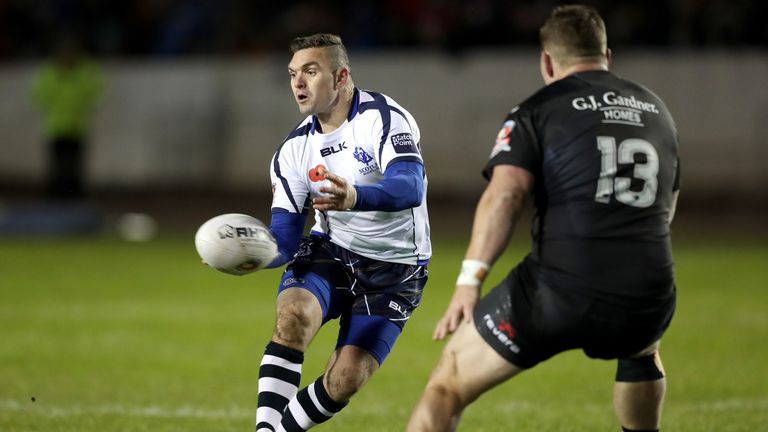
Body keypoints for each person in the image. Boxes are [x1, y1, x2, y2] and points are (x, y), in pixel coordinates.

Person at [407, 5, 680, 432]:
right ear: (608, 54)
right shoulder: (656, 109)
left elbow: (506, 194)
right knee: (642, 350)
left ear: (547, 61)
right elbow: (666, 207)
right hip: (650, 290)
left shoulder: (538, 109)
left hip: (559, 291)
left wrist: (469, 280)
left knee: (447, 384)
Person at [256, 33, 431, 432]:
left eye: (311, 71)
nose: (298, 83)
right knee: (293, 315)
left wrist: (354, 197)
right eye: (293, 74)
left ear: (341, 77)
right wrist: (252, 254)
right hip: (332, 250)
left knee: (345, 378)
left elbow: (410, 185)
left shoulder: (383, 118)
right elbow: (285, 236)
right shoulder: (293, 150)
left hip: (396, 268)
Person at [31, 34, 103, 200]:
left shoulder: (86, 70)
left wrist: (83, 103)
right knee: (57, 164)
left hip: (78, 126)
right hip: (56, 125)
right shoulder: (49, 72)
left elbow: (97, 91)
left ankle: (74, 196)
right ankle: (56, 195)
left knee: (75, 164)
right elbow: (37, 95)